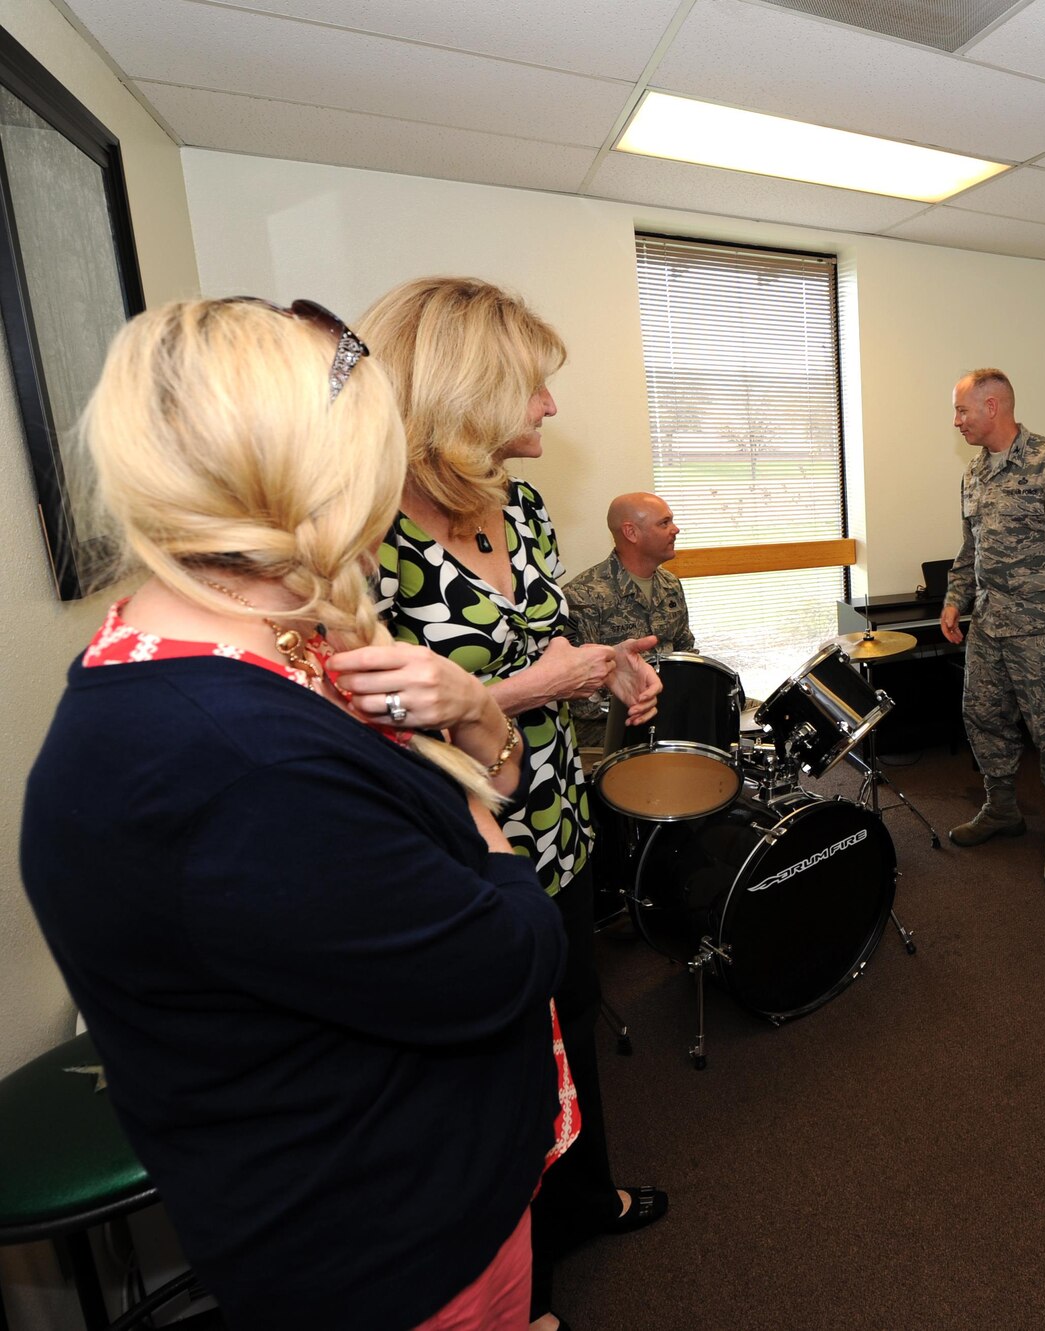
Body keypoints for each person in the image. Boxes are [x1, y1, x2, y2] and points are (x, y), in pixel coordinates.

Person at [21, 298, 566, 1329]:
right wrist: (479, 805)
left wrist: (475, 721)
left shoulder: (227, 661)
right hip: (391, 1243)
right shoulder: (235, 759)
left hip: (406, 1181)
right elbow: (505, 952)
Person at [360, 277, 665, 1331]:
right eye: (532, 386)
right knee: (492, 1067)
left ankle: (586, 1195)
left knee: (572, 1011)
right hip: (458, 843)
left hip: (556, 813)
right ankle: (516, 1283)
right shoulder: (364, 539)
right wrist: (528, 691)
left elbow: (546, 641)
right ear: (467, 394)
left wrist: (608, 670)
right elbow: (365, 722)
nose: (546, 407)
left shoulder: (518, 506)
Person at [941, 368, 1045, 886]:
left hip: (1043, 627)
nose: (957, 421)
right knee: (983, 715)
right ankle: (1002, 809)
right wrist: (955, 598)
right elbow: (972, 548)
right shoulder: (973, 473)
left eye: (962, 411)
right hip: (990, 623)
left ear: (993, 407)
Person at [566, 491, 695, 750]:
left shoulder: (670, 585)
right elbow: (579, 693)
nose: (676, 529)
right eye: (664, 523)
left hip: (666, 714)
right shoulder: (583, 595)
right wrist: (643, 701)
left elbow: (685, 651)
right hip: (609, 729)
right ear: (631, 532)